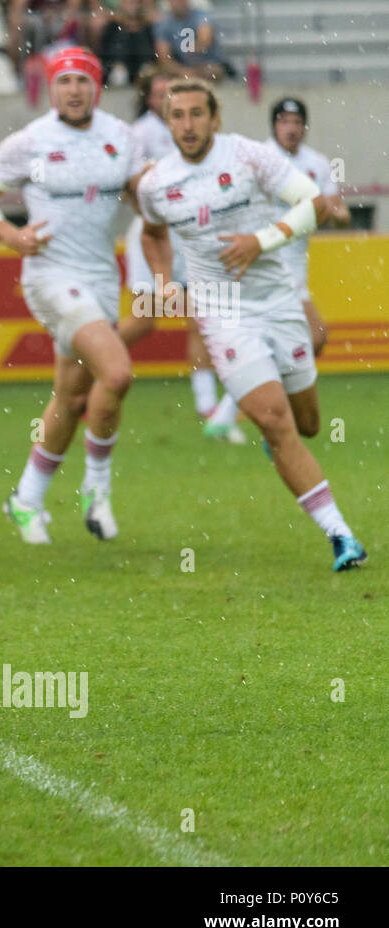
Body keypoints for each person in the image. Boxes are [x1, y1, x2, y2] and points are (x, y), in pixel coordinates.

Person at [137, 79, 365, 572]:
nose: (188, 124)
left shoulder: (247, 156)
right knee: (277, 421)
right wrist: (162, 281)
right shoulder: (155, 183)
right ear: (167, 122)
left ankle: (279, 442)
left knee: (308, 424)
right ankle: (341, 535)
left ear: (215, 119)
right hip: (221, 312)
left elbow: (316, 204)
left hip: (278, 300)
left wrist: (260, 241)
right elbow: (153, 234)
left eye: (198, 114)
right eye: (178, 115)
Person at [0, 47, 146, 545]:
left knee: (71, 396)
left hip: (102, 277)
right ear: (51, 89)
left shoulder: (121, 137)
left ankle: (25, 499)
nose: (74, 90)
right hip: (49, 275)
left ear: (97, 87)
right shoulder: (31, 142)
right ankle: (97, 488)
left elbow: (141, 197)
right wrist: (11, 234)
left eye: (83, 81)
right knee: (118, 372)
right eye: (64, 81)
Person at [119, 64, 242, 443]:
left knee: (199, 314)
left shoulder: (195, 131)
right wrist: (155, 208)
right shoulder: (138, 134)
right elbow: (127, 184)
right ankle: (92, 359)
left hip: (192, 234)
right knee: (147, 317)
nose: (163, 99)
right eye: (157, 93)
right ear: (149, 97)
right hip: (155, 234)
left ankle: (208, 406)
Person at [265, 97, 351, 358]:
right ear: (274, 126)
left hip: (295, 263)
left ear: (305, 127)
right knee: (313, 337)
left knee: (290, 347)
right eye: (284, 122)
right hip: (268, 260)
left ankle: (267, 395)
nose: (291, 128)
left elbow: (340, 213)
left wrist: (334, 213)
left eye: (297, 122)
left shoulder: (318, 163)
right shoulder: (262, 157)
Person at [154, 0, 226, 80]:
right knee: (159, 74)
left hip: (207, 64)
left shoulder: (201, 15)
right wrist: (182, 71)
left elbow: (205, 39)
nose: (179, 3)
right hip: (181, 67)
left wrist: (194, 50)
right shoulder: (164, 23)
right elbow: (164, 58)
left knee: (212, 71)